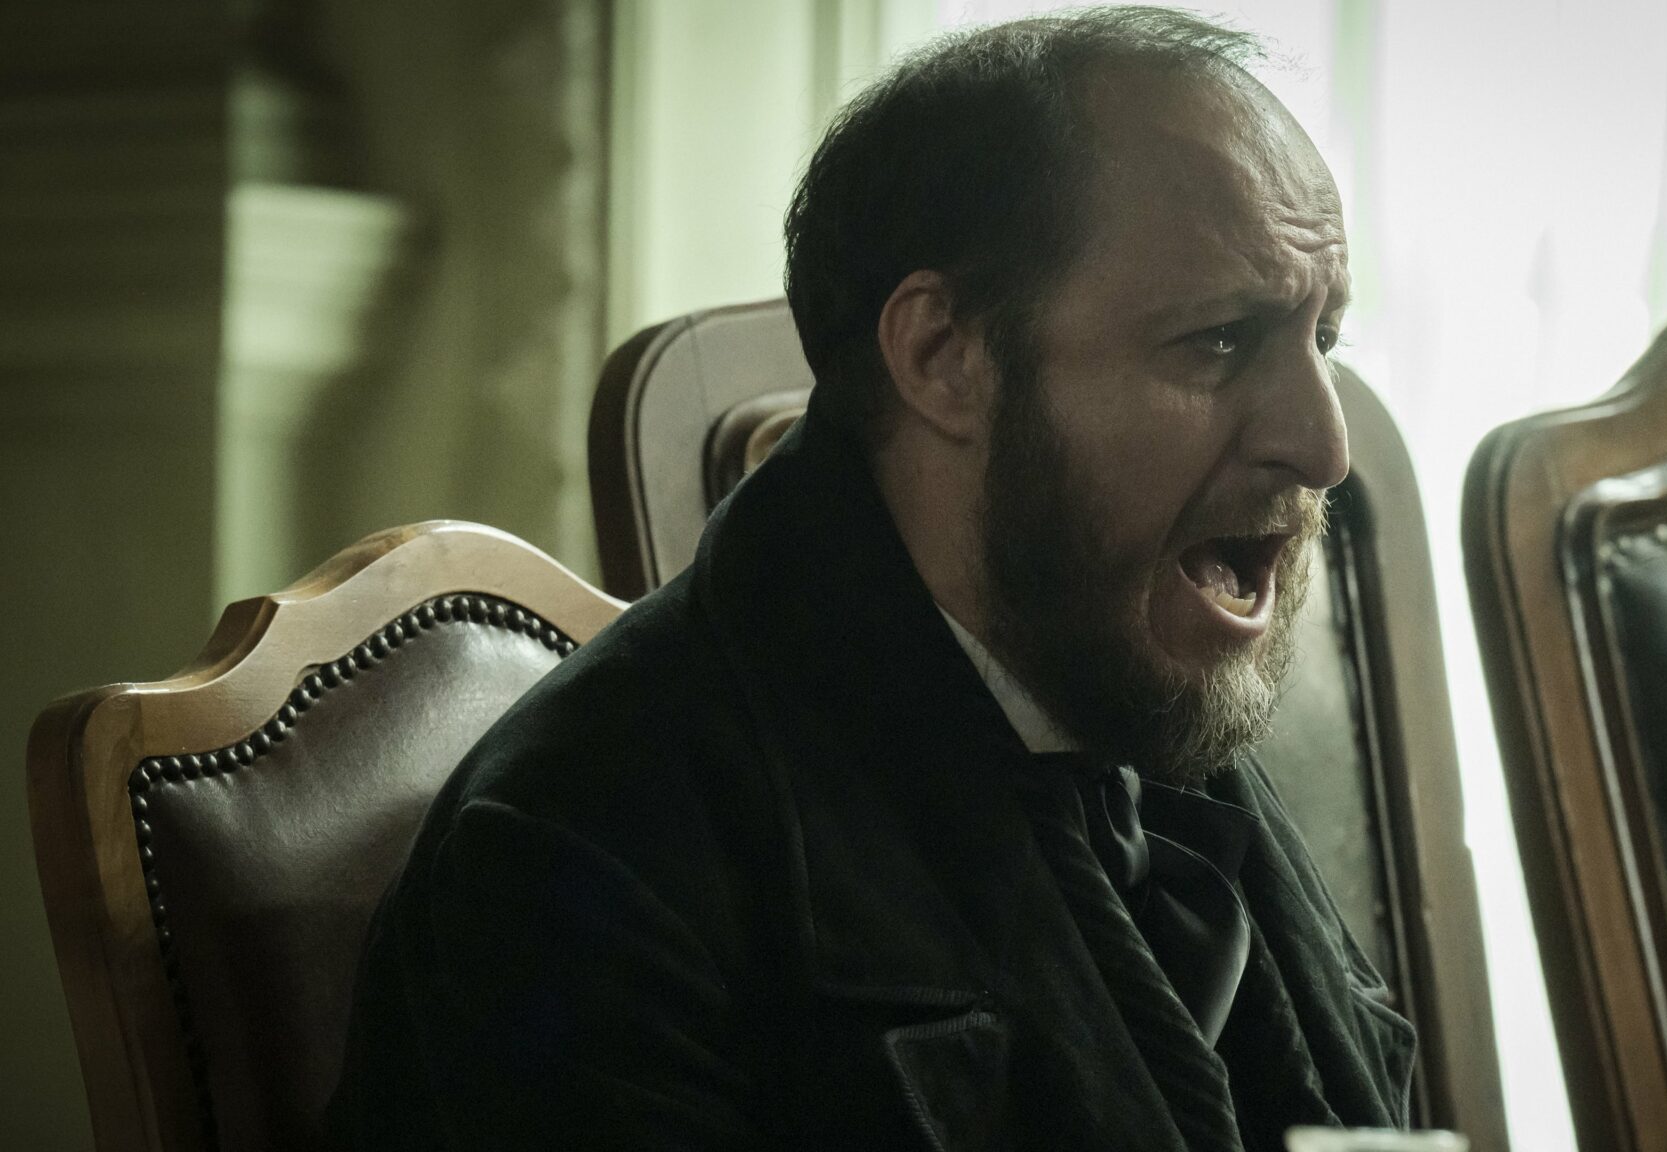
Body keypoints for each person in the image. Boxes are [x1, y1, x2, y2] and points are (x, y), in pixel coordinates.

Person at [328, 8, 1416, 1149]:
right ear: (943, 358)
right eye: (1219, 340)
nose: (1322, 446)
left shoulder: (1121, 681)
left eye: (1322, 339)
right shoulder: (580, 854)